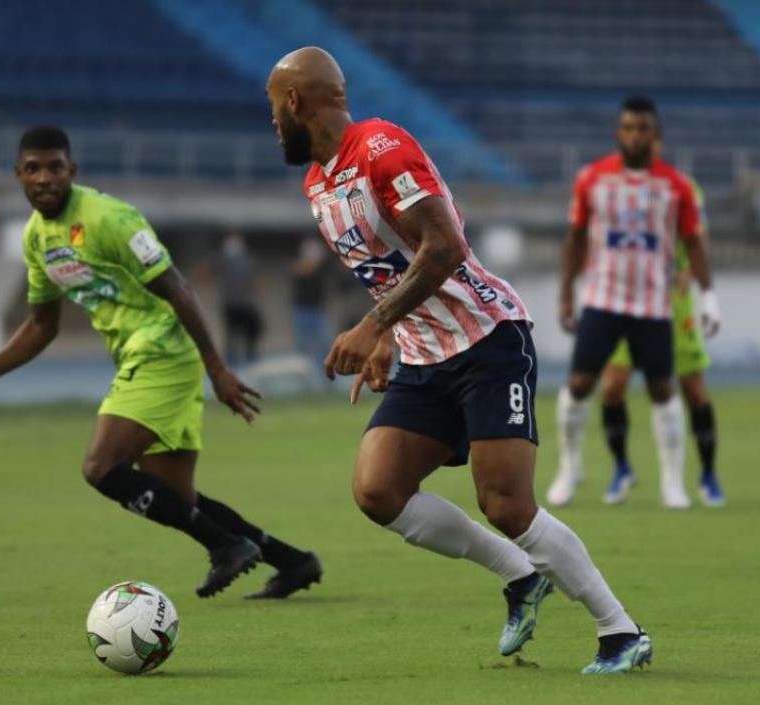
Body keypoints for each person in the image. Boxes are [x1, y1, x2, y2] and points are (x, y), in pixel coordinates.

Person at [267, 47, 648, 674]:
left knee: (505, 504)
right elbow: (392, 266)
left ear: (294, 101)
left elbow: (444, 248)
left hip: (487, 340)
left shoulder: (381, 148)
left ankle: (620, 631)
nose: (270, 122)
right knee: (378, 490)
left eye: (271, 106)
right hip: (422, 354)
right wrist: (390, 337)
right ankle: (521, 577)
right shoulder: (316, 182)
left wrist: (371, 326)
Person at [0, 127, 321, 600]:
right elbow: (41, 326)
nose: (44, 177)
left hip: (161, 349)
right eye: (33, 168)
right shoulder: (37, 238)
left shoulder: (111, 219)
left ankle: (225, 547)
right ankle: (293, 562)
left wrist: (216, 367)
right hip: (140, 356)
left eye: (55, 166)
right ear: (18, 175)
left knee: (101, 467)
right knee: (176, 497)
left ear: (71, 170)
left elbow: (179, 287)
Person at [547, 97, 720, 510]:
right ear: (618, 133)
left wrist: (709, 296)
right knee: (580, 384)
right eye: (629, 128)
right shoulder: (592, 179)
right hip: (603, 300)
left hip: (653, 305)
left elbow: (695, 242)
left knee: (663, 390)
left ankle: (672, 483)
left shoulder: (675, 186)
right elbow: (574, 239)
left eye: (643, 128)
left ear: (655, 135)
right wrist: (566, 294)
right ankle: (569, 469)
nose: (636, 135)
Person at [598, 138, 725, 507]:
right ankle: (622, 467)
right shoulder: (611, 188)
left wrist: (690, 273)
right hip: (625, 300)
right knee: (612, 386)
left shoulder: (681, 187)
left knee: (692, 388)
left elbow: (698, 237)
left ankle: (707, 475)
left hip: (672, 303)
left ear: (659, 145)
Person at [218, 231, 262, 364]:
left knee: (249, 336)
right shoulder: (223, 259)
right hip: (230, 304)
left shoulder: (248, 259)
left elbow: (255, 281)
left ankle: (251, 361)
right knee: (231, 336)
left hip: (245, 304)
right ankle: (232, 363)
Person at [291, 235, 333, 365]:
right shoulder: (299, 267)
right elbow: (300, 270)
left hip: (318, 309)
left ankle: (325, 372)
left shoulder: (322, 268)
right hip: (302, 309)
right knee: (302, 345)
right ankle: (302, 373)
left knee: (324, 345)